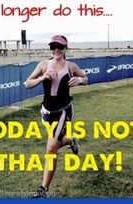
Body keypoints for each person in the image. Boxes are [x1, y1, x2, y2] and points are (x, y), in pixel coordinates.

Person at [25, 35, 88, 198]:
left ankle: (42, 190)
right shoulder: (44, 64)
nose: (56, 50)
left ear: (66, 48)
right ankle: (71, 140)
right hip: (46, 112)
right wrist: (42, 78)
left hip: (63, 111)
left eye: (60, 47)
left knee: (51, 148)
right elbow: (27, 83)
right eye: (53, 47)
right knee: (56, 142)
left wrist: (79, 80)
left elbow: (86, 78)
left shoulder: (71, 66)